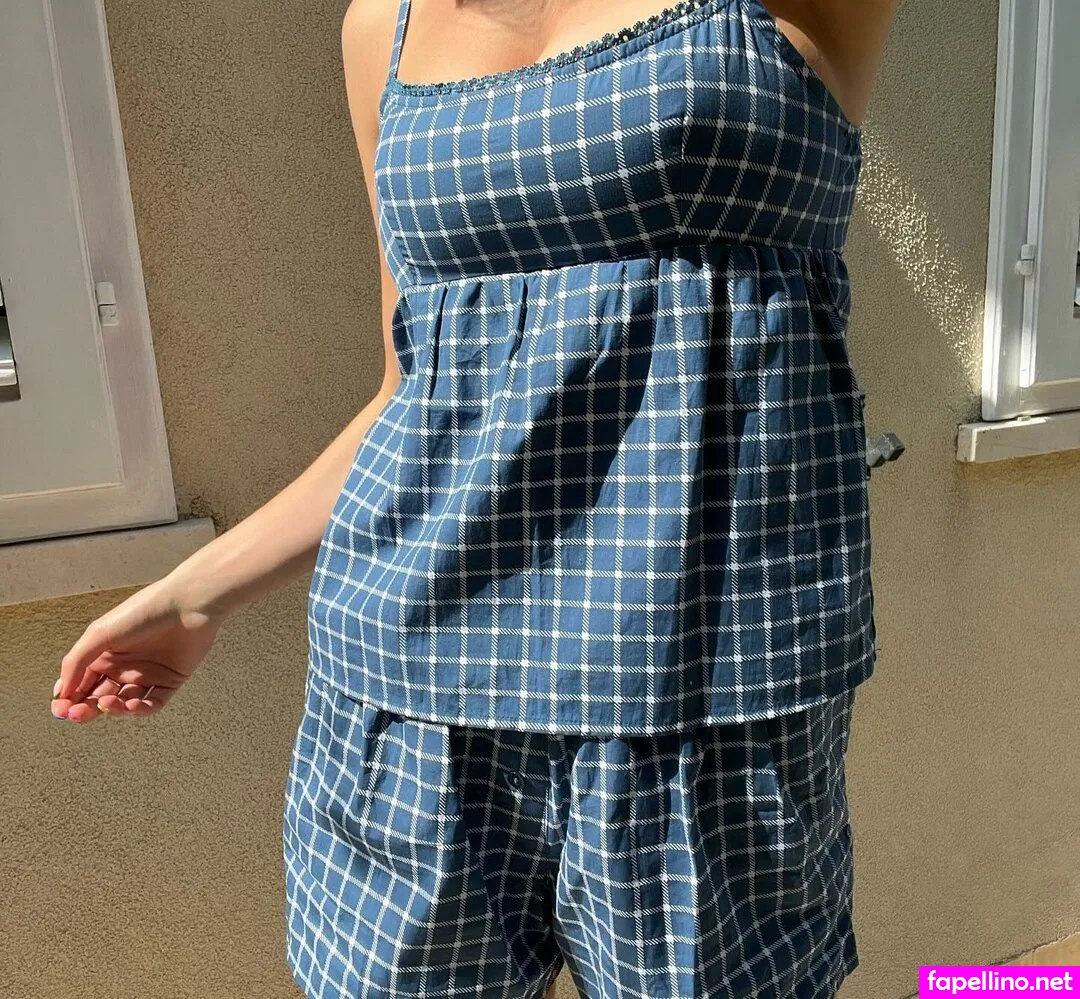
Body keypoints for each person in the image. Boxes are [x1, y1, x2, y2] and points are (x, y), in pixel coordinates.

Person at [51, 0, 898, 996]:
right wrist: (195, 595)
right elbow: (411, 394)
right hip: (410, 699)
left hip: (701, 700)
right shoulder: (385, 29)